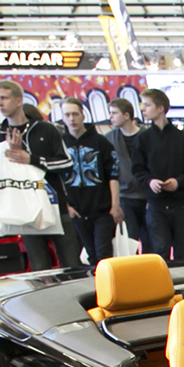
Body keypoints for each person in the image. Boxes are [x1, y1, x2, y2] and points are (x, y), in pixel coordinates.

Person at [0, 82, 79, 272]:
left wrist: (32, 159)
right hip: (26, 210)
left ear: (18, 100)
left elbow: (67, 163)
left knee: (71, 263)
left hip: (55, 206)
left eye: (4, 98)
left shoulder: (46, 130)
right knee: (39, 268)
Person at [131, 87, 184, 264]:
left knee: (180, 250)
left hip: (180, 202)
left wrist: (178, 182)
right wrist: (149, 181)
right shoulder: (142, 139)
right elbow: (137, 169)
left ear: (160, 108)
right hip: (156, 203)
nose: (143, 109)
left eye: (147, 105)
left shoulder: (182, 138)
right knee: (160, 249)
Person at [58, 98, 120, 270]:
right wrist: (66, 206)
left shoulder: (101, 142)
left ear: (83, 115)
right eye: (67, 115)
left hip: (102, 209)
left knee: (103, 254)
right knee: (88, 256)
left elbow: (113, 175)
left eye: (75, 114)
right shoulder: (60, 145)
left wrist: (115, 205)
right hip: (76, 210)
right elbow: (56, 179)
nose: (72, 119)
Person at [107, 98, 152, 254]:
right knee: (129, 242)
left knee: (150, 240)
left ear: (126, 115)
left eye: (114, 113)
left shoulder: (146, 136)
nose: (111, 117)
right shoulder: (109, 138)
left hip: (147, 194)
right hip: (125, 196)